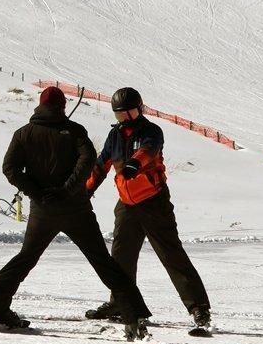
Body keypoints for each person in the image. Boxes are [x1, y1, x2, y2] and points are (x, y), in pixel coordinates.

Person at [0, 86, 153, 340]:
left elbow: (10, 169)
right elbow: (88, 160)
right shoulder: (75, 132)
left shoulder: (23, 134)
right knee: (103, 261)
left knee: (25, 259)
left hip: (43, 211)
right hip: (75, 208)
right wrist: (66, 191)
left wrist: (38, 193)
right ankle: (134, 318)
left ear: (39, 105)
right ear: (62, 107)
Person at [84, 88, 212, 330]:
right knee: (121, 257)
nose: (125, 119)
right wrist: (85, 192)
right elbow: (101, 166)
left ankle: (199, 308)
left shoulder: (151, 131)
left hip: (154, 201)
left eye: (129, 113)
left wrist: (134, 163)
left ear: (139, 109)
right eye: (119, 115)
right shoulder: (115, 136)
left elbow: (149, 150)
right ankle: (120, 304)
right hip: (127, 204)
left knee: (170, 254)